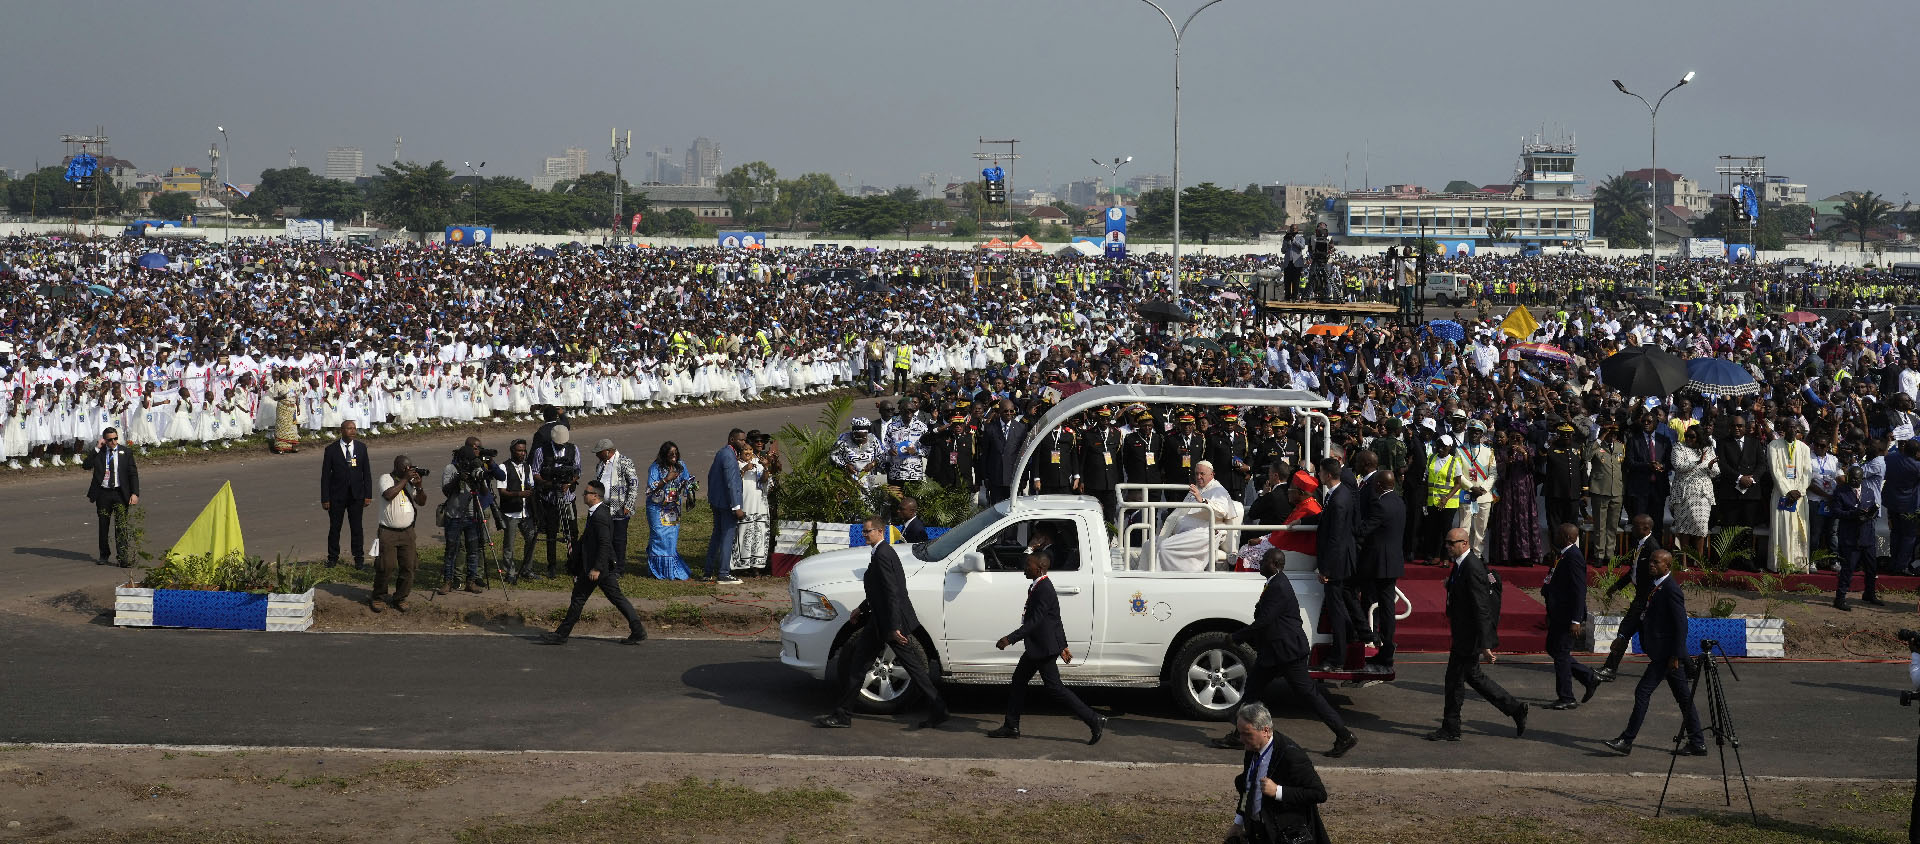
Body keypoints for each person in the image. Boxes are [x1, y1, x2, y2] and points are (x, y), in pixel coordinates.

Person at [1209, 548, 1359, 759]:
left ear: (1274, 563)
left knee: (1309, 695)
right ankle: (1237, 735)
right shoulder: (1275, 582)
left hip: (1287, 652)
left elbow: (1264, 621)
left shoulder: (1278, 586)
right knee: (1252, 691)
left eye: (1263, 561)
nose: (1259, 563)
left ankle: (1344, 735)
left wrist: (1237, 636)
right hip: (1274, 652)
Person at [814, 513, 948, 729]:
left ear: (880, 531)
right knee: (859, 665)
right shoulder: (881, 552)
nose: (864, 534)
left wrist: (894, 627)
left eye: (868, 531)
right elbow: (879, 590)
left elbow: (892, 593)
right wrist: (862, 607)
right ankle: (843, 714)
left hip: (889, 623)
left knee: (912, 667)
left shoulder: (884, 554)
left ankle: (938, 708)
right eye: (863, 531)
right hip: (880, 620)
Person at [985, 548, 1106, 744]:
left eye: (1028, 565)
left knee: (1055, 689)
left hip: (1042, 649)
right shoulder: (1038, 586)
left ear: (1040, 568)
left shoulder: (1044, 589)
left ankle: (1094, 719)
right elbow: (1055, 619)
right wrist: (1063, 645)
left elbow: (1036, 622)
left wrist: (1010, 638)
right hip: (1040, 647)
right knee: (1018, 681)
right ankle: (1011, 725)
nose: (1025, 567)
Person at [1425, 527, 1528, 742]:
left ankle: (1451, 728)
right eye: (1446, 542)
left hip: (1469, 636)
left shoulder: (1472, 567)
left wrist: (1485, 643)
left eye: (1451, 543)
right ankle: (1515, 708)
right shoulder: (1462, 564)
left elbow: (1481, 607)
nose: (1447, 546)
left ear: (1464, 543)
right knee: (1473, 677)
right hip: (1464, 633)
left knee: (1454, 681)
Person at [1603, 549, 1706, 756]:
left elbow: (1681, 626)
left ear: (1667, 566)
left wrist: (1676, 656)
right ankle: (1698, 742)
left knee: (1642, 692)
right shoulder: (1654, 585)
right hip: (1662, 653)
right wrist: (1623, 637)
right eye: (1650, 561)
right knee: (1684, 698)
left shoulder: (1671, 589)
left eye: (1656, 562)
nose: (1651, 565)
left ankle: (1627, 740)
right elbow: (1640, 615)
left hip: (1666, 655)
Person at [538, 480, 648, 645]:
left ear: (595, 496)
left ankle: (561, 634)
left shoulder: (600, 516)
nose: (583, 495)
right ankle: (638, 630)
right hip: (601, 566)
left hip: (596, 567)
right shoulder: (597, 512)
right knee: (616, 598)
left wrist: (596, 568)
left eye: (586, 493)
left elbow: (604, 543)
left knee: (579, 599)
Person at [1224, 703, 1332, 844]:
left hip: (1283, 834)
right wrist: (1238, 822)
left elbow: (1318, 793)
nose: (1241, 739)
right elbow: (1248, 787)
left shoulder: (1291, 755)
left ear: (1266, 731)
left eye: (1247, 734)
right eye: (1240, 733)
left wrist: (1278, 791)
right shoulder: (1252, 749)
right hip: (1258, 830)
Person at [1301, 457, 1361, 671]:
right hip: (1342, 560)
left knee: (1336, 610)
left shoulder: (1338, 499)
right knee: (1340, 606)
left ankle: (1338, 658)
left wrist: (1326, 569)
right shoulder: (1341, 494)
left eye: (1319, 472)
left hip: (1337, 564)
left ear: (1327, 474)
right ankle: (1351, 637)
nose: (1318, 476)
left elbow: (1335, 537)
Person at [1542, 523, 1600, 710]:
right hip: (1558, 613)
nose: (1554, 536)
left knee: (1561, 654)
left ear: (1567, 537)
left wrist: (1576, 620)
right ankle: (1588, 677)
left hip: (1567, 616)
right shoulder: (1563, 555)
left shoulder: (1574, 557)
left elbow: (1579, 590)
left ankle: (1567, 697)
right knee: (1553, 648)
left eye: (1558, 533)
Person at [1597, 515, 1660, 681]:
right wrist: (1617, 586)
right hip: (1640, 598)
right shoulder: (1638, 544)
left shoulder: (1652, 547)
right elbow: (1633, 571)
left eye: (1635, 526)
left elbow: (1657, 576)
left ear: (1646, 529)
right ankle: (1610, 668)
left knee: (1628, 631)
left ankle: (1685, 667)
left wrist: (1648, 600)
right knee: (1631, 632)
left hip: (1646, 600)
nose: (1631, 529)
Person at [1357, 470, 1406, 672]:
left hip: (1377, 563)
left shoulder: (1380, 504)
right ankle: (1386, 647)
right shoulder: (1399, 501)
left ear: (1378, 485)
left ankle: (1377, 642)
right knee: (1387, 607)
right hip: (1393, 561)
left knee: (1373, 601)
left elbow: (1364, 530)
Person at [1156, 460, 1242, 572]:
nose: (1198, 477)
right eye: (1196, 473)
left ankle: (1173, 576)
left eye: (1202, 474)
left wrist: (1202, 500)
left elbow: (1222, 511)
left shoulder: (1218, 490)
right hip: (1188, 531)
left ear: (1212, 474)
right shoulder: (1197, 488)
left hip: (1206, 531)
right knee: (1151, 544)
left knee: (1164, 547)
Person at [369, 454, 424, 612]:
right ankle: (378, 596)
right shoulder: (386, 478)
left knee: (409, 566)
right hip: (388, 532)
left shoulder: (409, 483)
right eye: (406, 468)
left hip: (407, 532)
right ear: (397, 467)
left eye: (410, 467)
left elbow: (422, 502)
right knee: (386, 566)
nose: (409, 470)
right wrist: (405, 479)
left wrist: (419, 486)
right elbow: (388, 495)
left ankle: (400, 597)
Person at [530, 424, 584, 579]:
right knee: (551, 533)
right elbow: (535, 472)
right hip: (549, 498)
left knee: (572, 532)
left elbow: (578, 470)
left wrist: (569, 483)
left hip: (568, 499)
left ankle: (572, 563)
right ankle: (551, 565)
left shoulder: (574, 449)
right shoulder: (541, 451)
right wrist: (549, 484)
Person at [81, 426, 139, 567]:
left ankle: (123, 557)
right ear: (104, 440)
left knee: (121, 526)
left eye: (115, 438)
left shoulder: (126, 452)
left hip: (120, 493)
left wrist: (135, 493)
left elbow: (133, 474)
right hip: (103, 494)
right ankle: (104, 555)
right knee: (103, 526)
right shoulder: (99, 452)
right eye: (110, 440)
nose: (113, 442)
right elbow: (86, 466)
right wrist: (96, 448)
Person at [319, 419, 373, 569]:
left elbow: (366, 473)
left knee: (357, 528)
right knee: (335, 528)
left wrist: (368, 494)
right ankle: (332, 558)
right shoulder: (331, 450)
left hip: (356, 496)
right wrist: (325, 498)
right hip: (337, 496)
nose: (353, 431)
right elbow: (325, 476)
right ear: (341, 431)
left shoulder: (361, 448)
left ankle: (359, 558)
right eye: (349, 428)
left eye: (354, 428)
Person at [1828, 466, 1881, 610]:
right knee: (1848, 569)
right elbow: (1836, 511)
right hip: (1850, 538)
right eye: (1851, 477)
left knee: (1871, 569)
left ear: (1862, 478)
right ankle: (1840, 598)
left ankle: (1869, 593)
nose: (1853, 480)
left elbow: (1874, 510)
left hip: (1867, 536)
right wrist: (1853, 514)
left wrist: (1871, 514)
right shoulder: (1840, 491)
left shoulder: (1869, 492)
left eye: (1856, 478)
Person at [1486, 429, 1539, 566]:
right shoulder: (1503, 451)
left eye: (1518, 437)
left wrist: (1525, 454)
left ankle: (1525, 555)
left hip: (1524, 490)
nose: (1516, 440)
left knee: (1523, 521)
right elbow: (1501, 472)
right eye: (1513, 437)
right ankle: (1506, 555)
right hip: (1508, 490)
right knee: (1507, 520)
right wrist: (1508, 462)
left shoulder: (1529, 449)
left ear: (1523, 438)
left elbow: (1532, 469)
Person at [1766, 419, 1813, 573]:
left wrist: (1798, 490)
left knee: (1799, 529)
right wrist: (1788, 491)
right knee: (1782, 528)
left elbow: (1808, 472)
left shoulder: (1804, 448)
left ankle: (1798, 565)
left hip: (1799, 496)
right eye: (1789, 427)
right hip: (1782, 494)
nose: (1792, 430)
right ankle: (1781, 564)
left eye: (1795, 427)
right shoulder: (1773, 446)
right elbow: (1775, 471)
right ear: (1783, 428)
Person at [645, 441, 696, 580]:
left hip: (673, 507)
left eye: (676, 453)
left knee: (671, 537)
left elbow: (687, 480)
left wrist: (690, 486)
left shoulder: (681, 466)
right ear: (664, 455)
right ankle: (656, 569)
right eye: (671, 454)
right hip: (656, 507)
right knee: (658, 536)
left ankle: (670, 569)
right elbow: (650, 488)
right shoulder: (655, 468)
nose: (674, 456)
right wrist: (666, 479)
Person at [1669, 425, 1719, 562]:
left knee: (1701, 528)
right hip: (1683, 493)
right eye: (1687, 435)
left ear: (1699, 437)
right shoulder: (1679, 447)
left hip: (1702, 494)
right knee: (1683, 528)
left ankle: (1699, 561)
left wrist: (1708, 466)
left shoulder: (1707, 449)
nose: (1688, 439)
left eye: (1692, 436)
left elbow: (1716, 471)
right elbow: (1678, 465)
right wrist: (1699, 462)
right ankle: (1683, 562)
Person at [592, 437, 639, 576]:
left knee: (619, 539)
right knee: (605, 538)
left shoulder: (624, 462)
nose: (596, 455)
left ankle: (619, 569)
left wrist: (629, 505)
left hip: (620, 507)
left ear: (607, 451)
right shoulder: (600, 465)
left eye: (599, 452)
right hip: (604, 507)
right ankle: (608, 565)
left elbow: (634, 484)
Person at [706, 428, 746, 584]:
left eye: (744, 440)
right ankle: (723, 573)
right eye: (741, 440)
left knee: (716, 535)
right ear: (732, 440)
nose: (743, 443)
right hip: (727, 505)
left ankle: (708, 571)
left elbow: (711, 476)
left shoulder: (722, 453)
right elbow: (731, 482)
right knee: (727, 537)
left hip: (717, 502)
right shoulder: (729, 456)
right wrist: (737, 507)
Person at [494, 439, 538, 580]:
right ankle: (509, 572)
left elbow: (531, 485)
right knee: (509, 544)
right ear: (512, 451)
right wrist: (519, 494)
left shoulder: (527, 467)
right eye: (519, 450)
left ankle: (527, 569)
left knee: (531, 539)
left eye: (524, 450)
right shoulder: (503, 467)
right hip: (511, 512)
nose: (522, 453)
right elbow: (502, 491)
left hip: (526, 512)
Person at [1624, 413, 1672, 540]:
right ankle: (1640, 552)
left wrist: (1662, 466)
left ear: (1656, 423)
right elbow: (1629, 463)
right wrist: (1647, 466)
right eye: (1643, 421)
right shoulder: (1634, 440)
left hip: (1658, 488)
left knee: (1657, 523)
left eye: (1649, 421)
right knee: (1640, 523)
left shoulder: (1664, 440)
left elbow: (1671, 462)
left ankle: (1656, 551)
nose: (1646, 423)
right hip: (1640, 489)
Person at [1454, 422, 1497, 557]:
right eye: (1472, 431)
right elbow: (1458, 474)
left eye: (1477, 432)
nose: (1474, 434)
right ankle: (1463, 555)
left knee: (1481, 529)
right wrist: (1472, 487)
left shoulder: (1489, 451)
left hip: (1483, 496)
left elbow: (1493, 474)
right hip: (1466, 493)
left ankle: (1478, 555)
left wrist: (1483, 488)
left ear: (1481, 434)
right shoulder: (1460, 450)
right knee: (1464, 527)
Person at [1586, 422, 1626, 558]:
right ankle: (1599, 554)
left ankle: (1609, 555)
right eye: (1610, 433)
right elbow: (1586, 456)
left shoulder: (1620, 446)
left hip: (1616, 491)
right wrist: (1600, 438)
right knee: (1600, 526)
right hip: (1600, 491)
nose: (1612, 436)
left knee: (1612, 526)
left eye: (1615, 434)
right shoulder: (1597, 446)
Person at [979, 400, 1028, 504]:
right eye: (1006, 411)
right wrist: (985, 476)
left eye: (1011, 411)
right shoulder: (990, 428)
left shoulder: (1021, 428)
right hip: (995, 478)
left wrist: (1024, 478)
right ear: (1000, 411)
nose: (1009, 413)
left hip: (1013, 478)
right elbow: (985, 454)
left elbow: (1023, 455)